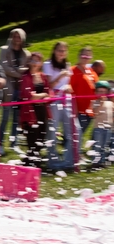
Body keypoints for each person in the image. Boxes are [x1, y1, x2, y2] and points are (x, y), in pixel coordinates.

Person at [43, 42, 76, 171]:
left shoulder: (67, 65)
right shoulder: (48, 64)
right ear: (54, 51)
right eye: (59, 50)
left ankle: (69, 160)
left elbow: (67, 84)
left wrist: (68, 87)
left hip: (66, 100)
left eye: (64, 50)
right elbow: (49, 85)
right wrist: (61, 76)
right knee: (52, 131)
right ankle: (52, 161)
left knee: (72, 130)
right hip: (54, 100)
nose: (61, 53)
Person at [0, 28, 31, 154]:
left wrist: (22, 72)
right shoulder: (4, 50)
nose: (17, 39)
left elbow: (27, 68)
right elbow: (4, 66)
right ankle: (0, 143)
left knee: (17, 118)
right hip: (8, 87)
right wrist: (18, 73)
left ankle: (14, 143)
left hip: (20, 88)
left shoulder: (26, 53)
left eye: (19, 37)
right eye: (15, 36)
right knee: (5, 116)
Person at [19, 52, 52, 167]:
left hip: (42, 111)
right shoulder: (25, 77)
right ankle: (32, 163)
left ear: (41, 63)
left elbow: (49, 95)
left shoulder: (43, 76)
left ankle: (31, 161)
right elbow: (29, 96)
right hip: (30, 112)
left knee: (41, 136)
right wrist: (43, 95)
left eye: (37, 61)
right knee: (32, 138)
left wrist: (41, 95)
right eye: (32, 60)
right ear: (29, 62)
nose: (34, 63)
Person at [70, 47, 98, 134]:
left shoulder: (91, 71)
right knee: (75, 135)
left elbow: (96, 87)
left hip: (90, 110)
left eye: (88, 56)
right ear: (79, 56)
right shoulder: (72, 70)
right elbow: (70, 90)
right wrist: (75, 109)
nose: (86, 58)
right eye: (84, 55)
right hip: (79, 110)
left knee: (80, 135)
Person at [90, 81, 113, 168]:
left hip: (108, 127)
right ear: (96, 92)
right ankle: (95, 162)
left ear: (107, 92)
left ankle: (102, 161)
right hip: (98, 128)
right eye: (99, 91)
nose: (101, 93)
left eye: (103, 92)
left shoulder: (110, 103)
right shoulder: (94, 102)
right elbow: (95, 113)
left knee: (105, 145)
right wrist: (101, 103)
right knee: (98, 145)